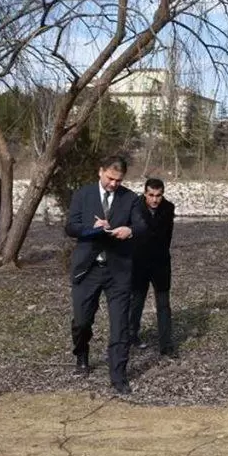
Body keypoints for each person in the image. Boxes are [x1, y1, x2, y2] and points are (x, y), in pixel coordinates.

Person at [64, 155, 146, 395]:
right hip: (88, 268)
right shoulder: (83, 195)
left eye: (118, 180)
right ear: (100, 171)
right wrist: (92, 229)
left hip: (118, 270)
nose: (114, 184)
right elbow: (70, 227)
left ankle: (118, 375)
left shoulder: (130, 198)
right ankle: (81, 354)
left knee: (120, 324)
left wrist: (129, 230)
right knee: (82, 320)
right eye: (110, 178)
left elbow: (142, 225)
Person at [129, 178, 176, 356]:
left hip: (161, 262)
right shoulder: (135, 207)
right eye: (151, 195)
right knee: (136, 302)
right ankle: (131, 335)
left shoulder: (168, 208)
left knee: (163, 304)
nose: (155, 199)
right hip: (139, 262)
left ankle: (166, 345)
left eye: (158, 195)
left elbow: (167, 235)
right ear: (145, 193)